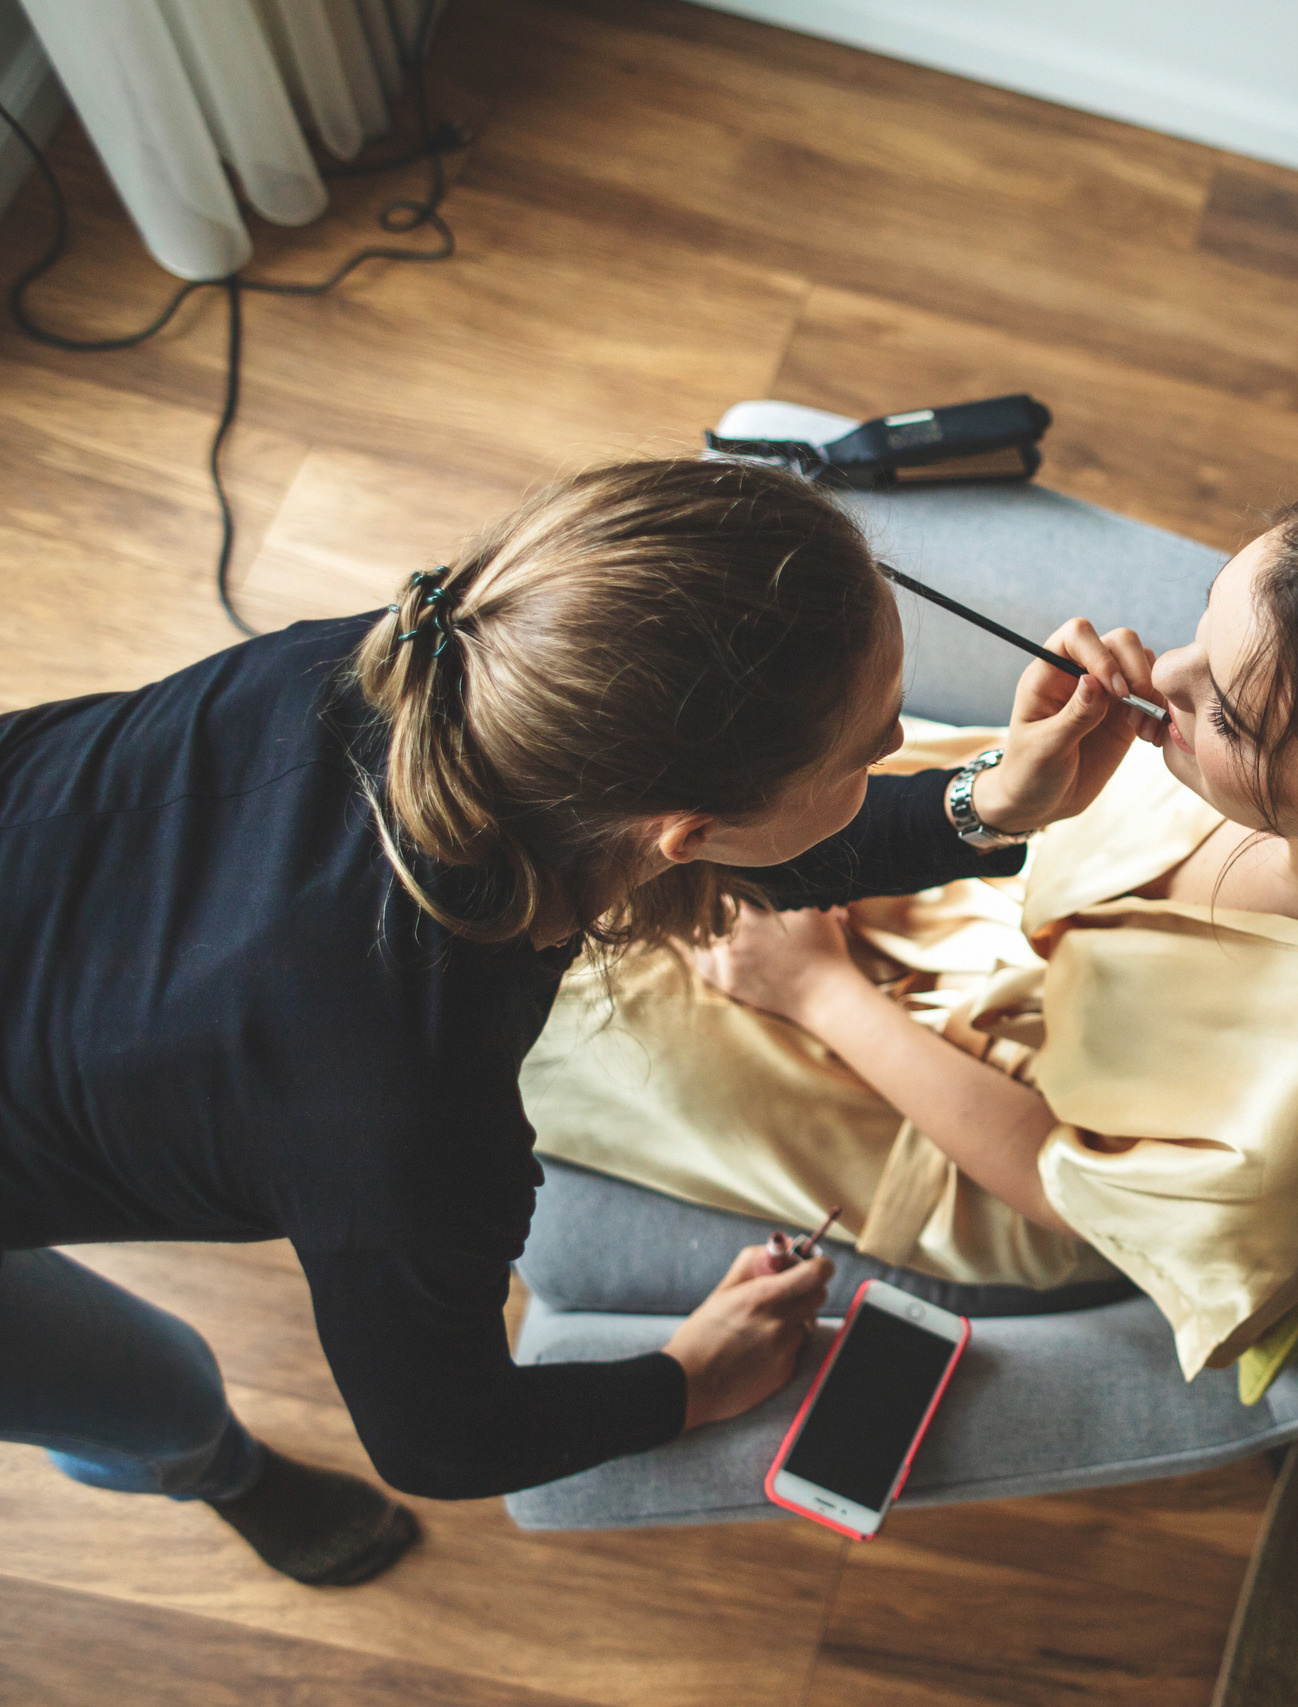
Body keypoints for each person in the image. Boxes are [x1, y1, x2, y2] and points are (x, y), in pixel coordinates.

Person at [0, 459, 1160, 1585]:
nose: (904, 746)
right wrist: (686, 1380)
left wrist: (988, 800)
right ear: (685, 833)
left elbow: (747, 833)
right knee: (154, 1392)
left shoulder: (457, 659)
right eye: (873, 745)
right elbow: (441, 1444)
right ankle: (210, 1470)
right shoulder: (414, 1113)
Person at [521, 458, 1298, 1396]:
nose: (1166, 671)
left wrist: (822, 995)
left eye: (1225, 710)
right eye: (1204, 631)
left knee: (560, 1013)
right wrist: (1008, 786)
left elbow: (1063, 1192)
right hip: (979, 921)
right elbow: (1003, 832)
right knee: (651, 812)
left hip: (977, 1134)